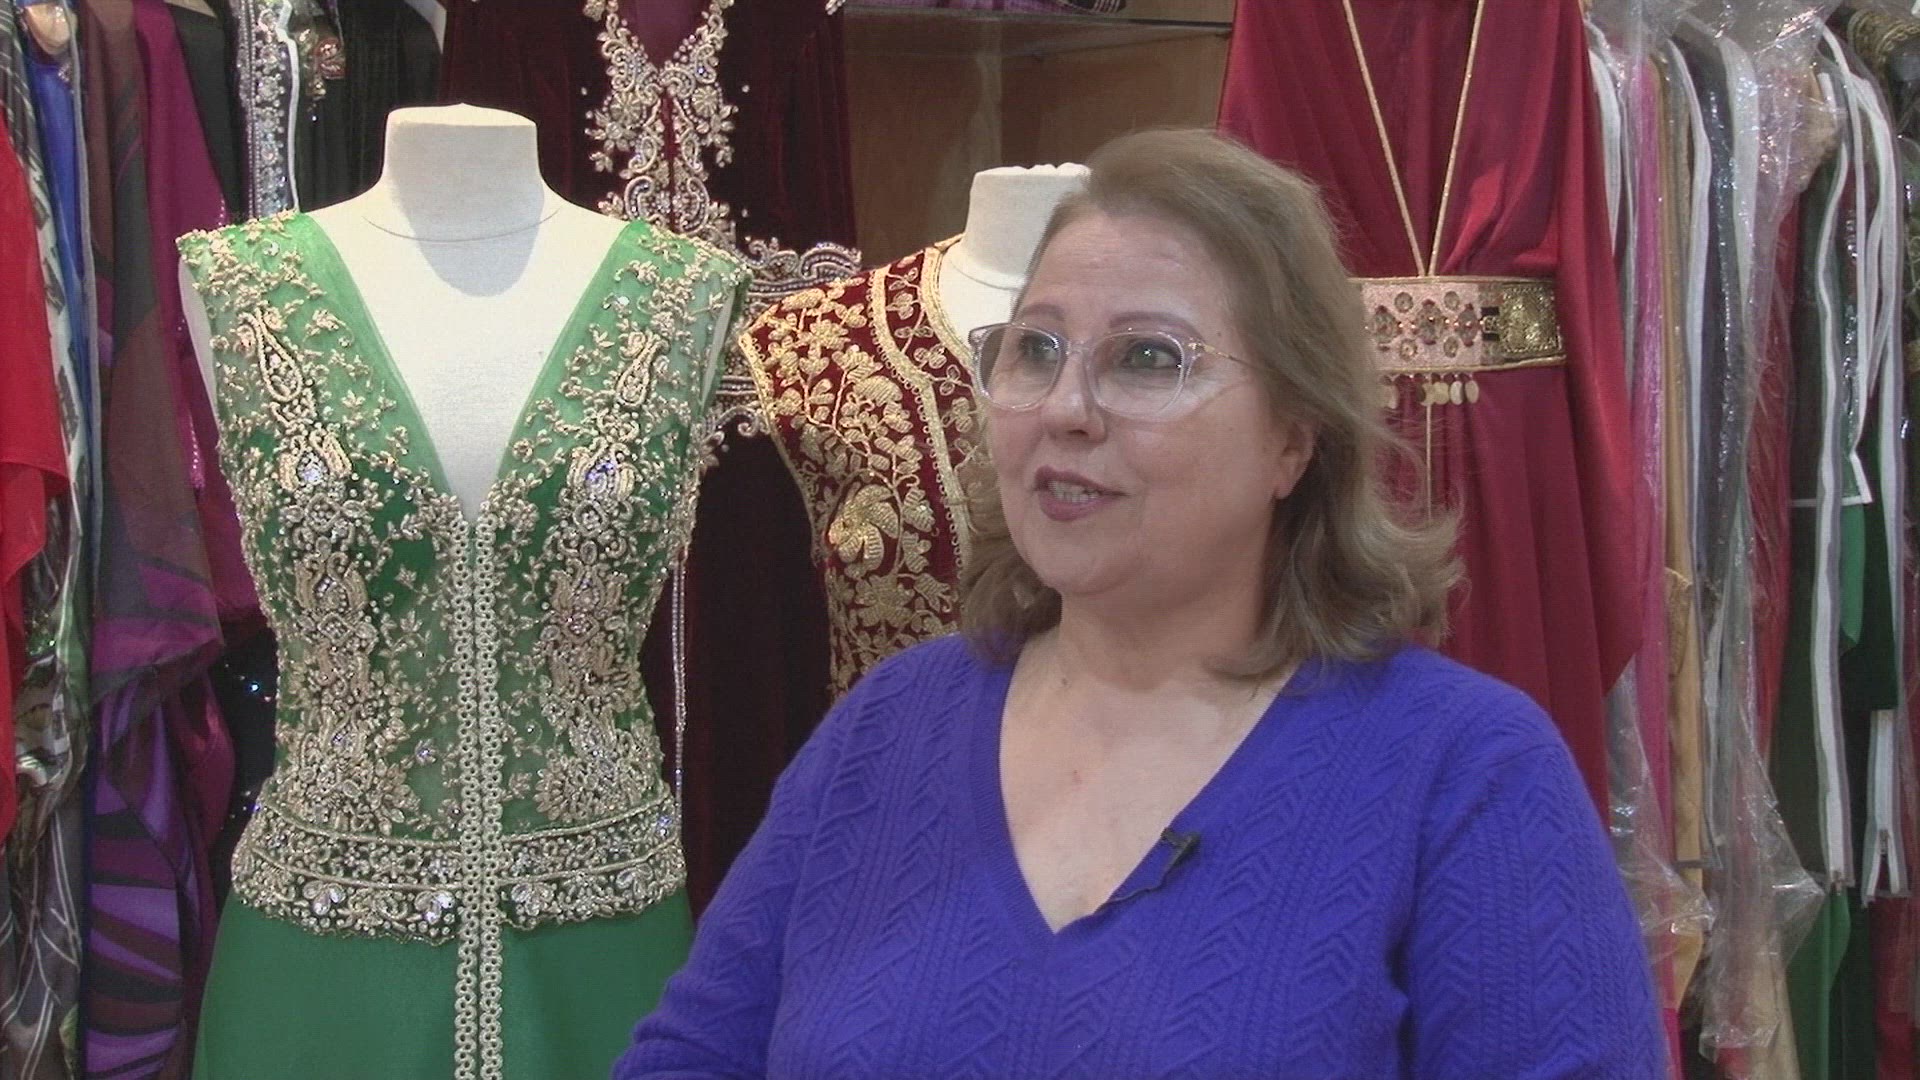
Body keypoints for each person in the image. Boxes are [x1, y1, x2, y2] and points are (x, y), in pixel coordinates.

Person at [614, 128, 1665, 1079]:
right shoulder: (885, 733)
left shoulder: (1466, 774)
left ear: (1294, 437)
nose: (1066, 409)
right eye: (1035, 349)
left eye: (1148, 359)